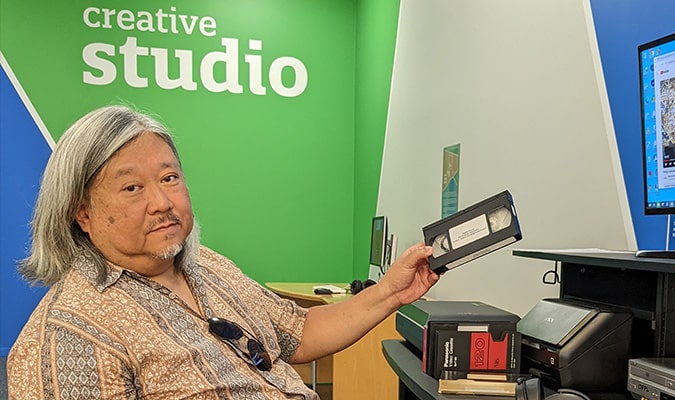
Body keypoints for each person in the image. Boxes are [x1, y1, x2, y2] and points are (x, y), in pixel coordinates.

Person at [7, 105, 440, 399]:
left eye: (170, 178)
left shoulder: (208, 265)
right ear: (82, 213)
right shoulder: (69, 333)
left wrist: (390, 291)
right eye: (132, 187)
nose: (161, 202)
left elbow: (300, 333)